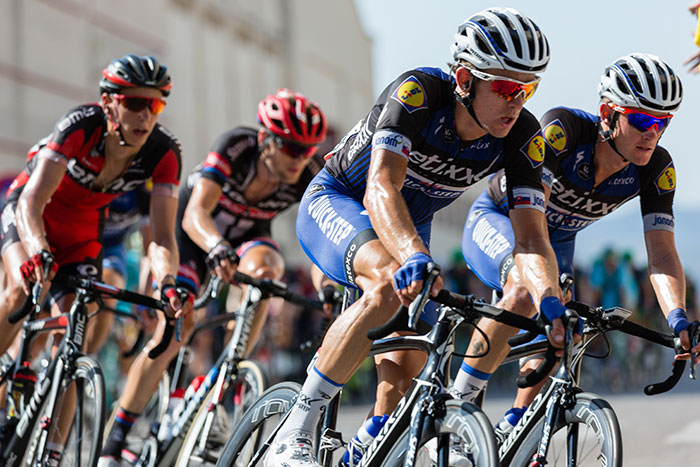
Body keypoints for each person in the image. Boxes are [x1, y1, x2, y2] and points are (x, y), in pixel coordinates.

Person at [265, 7, 572, 466]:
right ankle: (297, 428)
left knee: (405, 375)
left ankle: (363, 452)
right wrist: (412, 253)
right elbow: (380, 187)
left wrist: (549, 299)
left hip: (409, 225)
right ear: (465, 78)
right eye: (507, 88)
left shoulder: (523, 134)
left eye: (529, 89)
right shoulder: (418, 94)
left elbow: (531, 239)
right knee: (388, 284)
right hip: (342, 200)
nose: (518, 102)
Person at [458, 52, 699, 441]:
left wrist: (678, 319)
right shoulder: (563, 132)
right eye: (641, 120)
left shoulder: (657, 167)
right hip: (502, 221)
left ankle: (514, 426)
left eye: (663, 122)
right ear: (608, 113)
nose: (652, 132)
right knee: (525, 289)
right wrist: (550, 283)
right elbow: (531, 231)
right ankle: (460, 405)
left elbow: (663, 254)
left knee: (565, 331)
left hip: (557, 241)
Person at [99, 88, 332, 464]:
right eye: (289, 146)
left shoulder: (305, 173)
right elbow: (194, 215)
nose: (299, 158)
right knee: (176, 325)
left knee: (269, 273)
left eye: (307, 150)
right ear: (265, 140)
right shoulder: (236, 147)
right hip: (194, 235)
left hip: (248, 239)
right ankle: (117, 439)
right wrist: (216, 247)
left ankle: (229, 369)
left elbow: (320, 237)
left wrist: (329, 286)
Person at [0, 54, 188, 466]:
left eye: (154, 105)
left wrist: (168, 282)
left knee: (75, 331)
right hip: (32, 217)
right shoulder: (80, 126)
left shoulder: (163, 153)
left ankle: (52, 453)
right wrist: (37, 250)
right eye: (135, 103)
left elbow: (160, 238)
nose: (145, 115)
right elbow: (32, 201)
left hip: (82, 233)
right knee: (18, 290)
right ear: (109, 103)